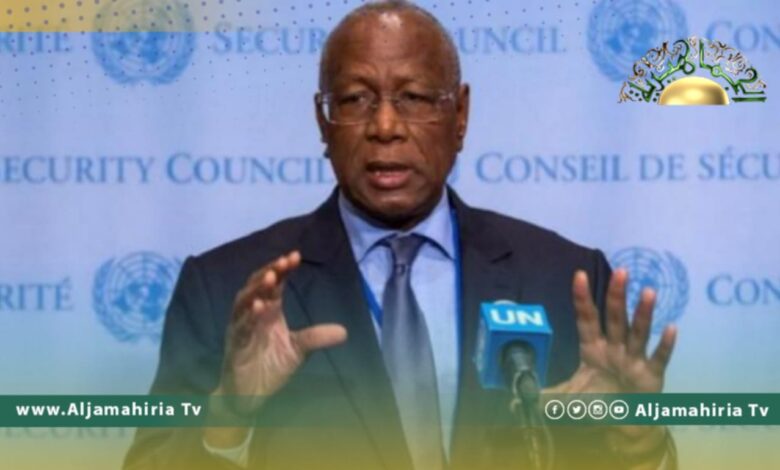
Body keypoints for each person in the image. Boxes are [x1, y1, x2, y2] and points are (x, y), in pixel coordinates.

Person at [123, 1, 678, 469]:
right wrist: (227, 416)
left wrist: (638, 442)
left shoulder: (563, 280)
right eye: (355, 99)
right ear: (322, 121)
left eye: (414, 98)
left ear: (460, 115)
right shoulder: (223, 288)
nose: (385, 127)